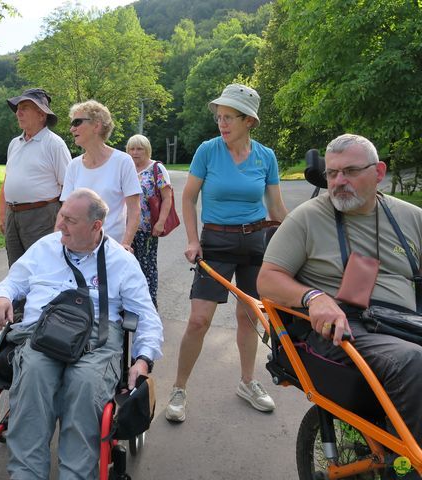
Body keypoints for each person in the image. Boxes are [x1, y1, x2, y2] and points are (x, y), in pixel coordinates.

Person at [0, 188, 163, 479]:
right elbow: (11, 282)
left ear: (96, 226)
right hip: (42, 331)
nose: (60, 225)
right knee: (34, 376)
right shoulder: (45, 247)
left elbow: (146, 317)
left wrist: (142, 361)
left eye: (70, 219)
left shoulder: (121, 261)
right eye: (61, 215)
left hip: (98, 336)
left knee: (85, 384)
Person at [258, 134, 422, 447]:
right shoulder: (307, 217)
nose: (338, 181)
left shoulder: (411, 218)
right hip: (343, 329)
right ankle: (407, 466)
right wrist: (313, 297)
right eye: (332, 174)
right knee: (413, 362)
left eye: (350, 171)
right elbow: (267, 279)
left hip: (404, 324)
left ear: (378, 172)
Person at [166, 84, 288, 422]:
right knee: (198, 320)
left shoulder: (266, 156)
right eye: (219, 117)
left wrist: (299, 240)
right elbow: (188, 198)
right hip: (216, 243)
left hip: (256, 244)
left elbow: (277, 207)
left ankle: (248, 382)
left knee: (249, 318)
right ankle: (179, 388)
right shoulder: (208, 151)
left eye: (229, 117)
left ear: (249, 120)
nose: (222, 123)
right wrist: (193, 240)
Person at [0, 88, 72, 267]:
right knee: (17, 270)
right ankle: (21, 298)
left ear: (41, 115)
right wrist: (3, 215)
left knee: (44, 268)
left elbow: (69, 187)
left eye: (24, 107)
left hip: (43, 216)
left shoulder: (54, 144)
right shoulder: (14, 144)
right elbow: (8, 180)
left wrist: (64, 221)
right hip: (13, 216)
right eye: (18, 108)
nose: (18, 112)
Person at [60, 100, 141, 251]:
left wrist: (125, 244)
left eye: (77, 122)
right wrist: (57, 244)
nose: (72, 129)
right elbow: (64, 212)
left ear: (96, 125)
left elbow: (134, 210)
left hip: (112, 249)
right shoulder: (73, 165)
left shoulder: (123, 161)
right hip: (77, 248)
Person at [126, 134, 173, 309]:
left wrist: (160, 222)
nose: (135, 152)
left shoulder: (156, 169)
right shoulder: (126, 168)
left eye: (140, 149)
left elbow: (167, 198)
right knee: (127, 266)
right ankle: (131, 304)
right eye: (132, 148)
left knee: (147, 267)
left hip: (147, 228)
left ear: (147, 150)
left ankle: (149, 306)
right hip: (126, 228)